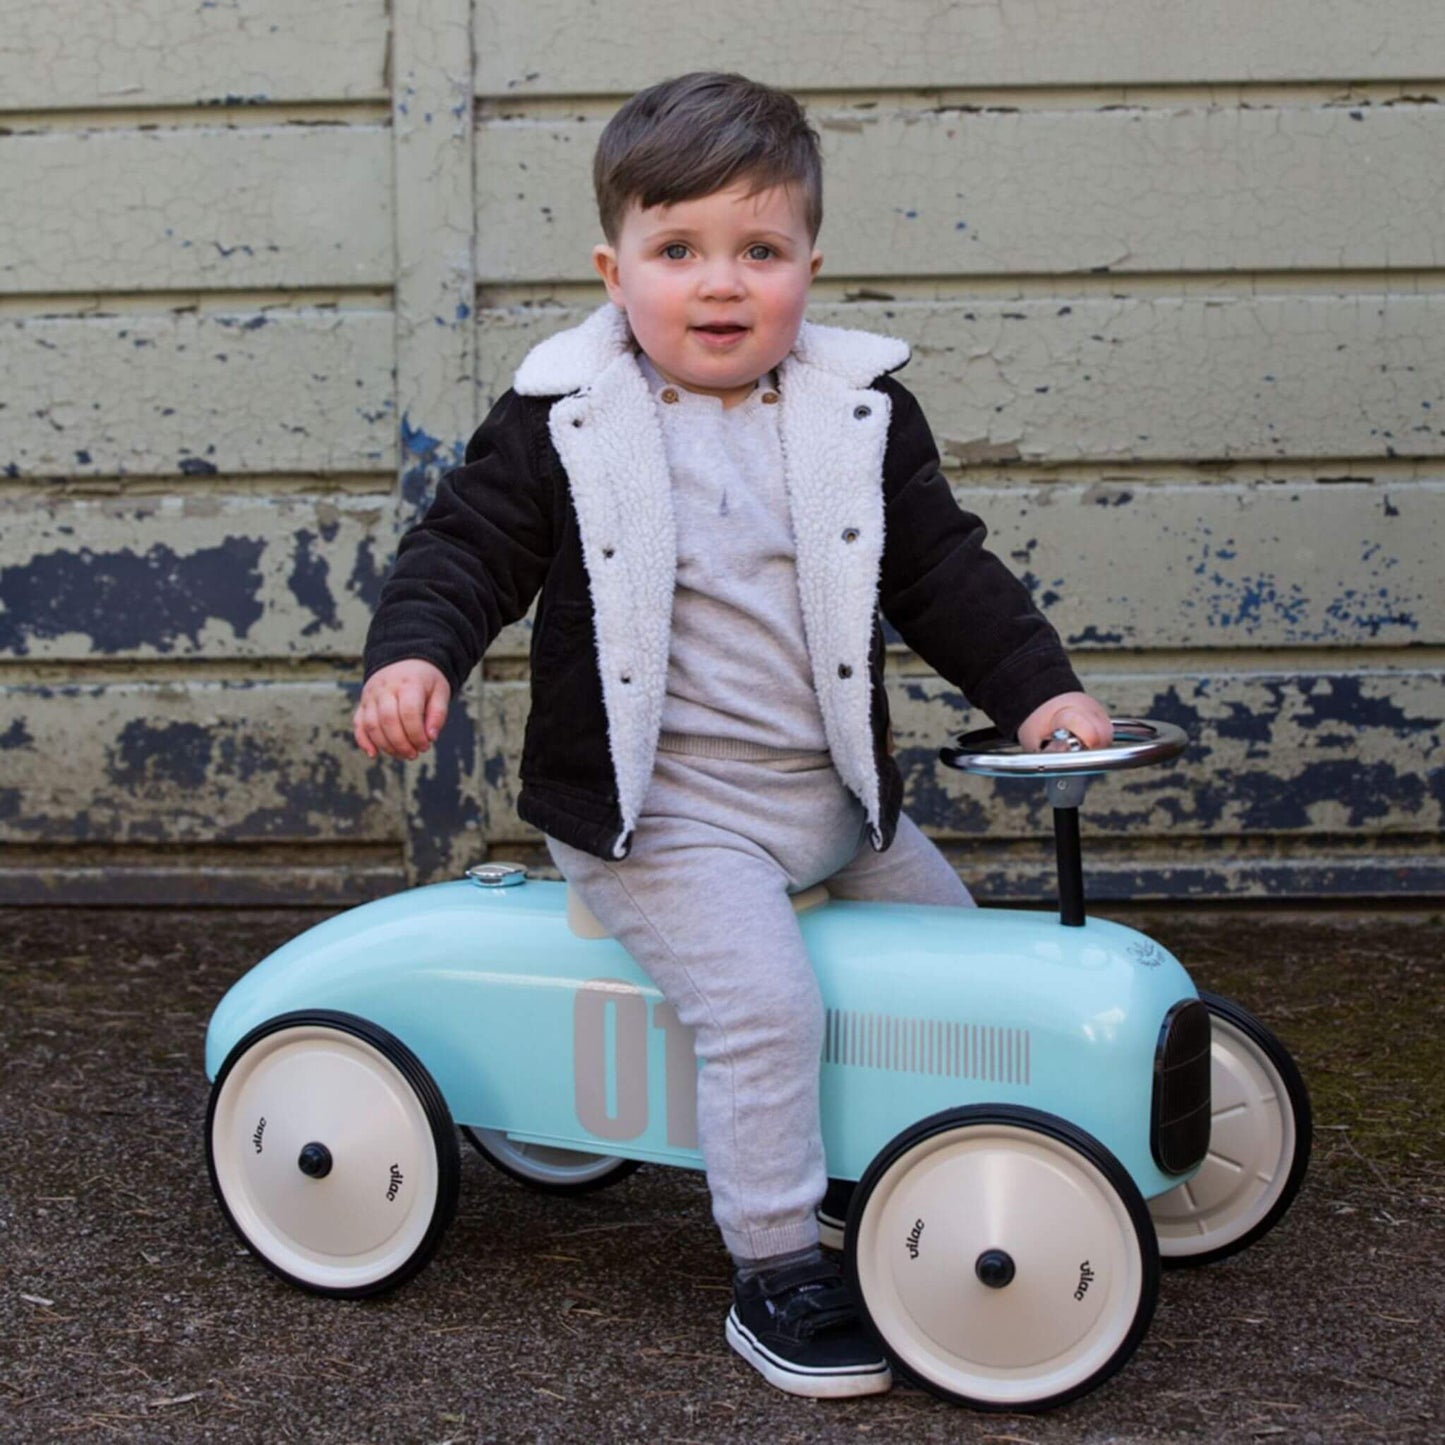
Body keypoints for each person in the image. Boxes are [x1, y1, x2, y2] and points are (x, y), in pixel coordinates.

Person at [354, 71, 1111, 1399]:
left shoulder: (856, 410)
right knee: (764, 1009)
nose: (720, 284)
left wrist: (1036, 692)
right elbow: (465, 548)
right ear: (614, 271)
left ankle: (932, 1170)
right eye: (678, 250)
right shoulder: (564, 416)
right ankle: (777, 1263)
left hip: (831, 799)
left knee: (961, 964)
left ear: (809, 264)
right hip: (659, 816)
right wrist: (415, 653)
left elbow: (943, 572)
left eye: (759, 251)